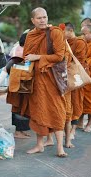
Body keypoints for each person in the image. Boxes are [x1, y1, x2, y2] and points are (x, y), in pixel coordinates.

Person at [19, 7, 68, 157]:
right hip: (36, 79)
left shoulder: (55, 33)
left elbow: (60, 56)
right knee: (37, 111)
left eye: (44, 17)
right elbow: (27, 56)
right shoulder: (30, 35)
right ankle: (40, 145)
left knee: (57, 110)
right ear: (33, 20)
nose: (42, 20)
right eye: (39, 18)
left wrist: (38, 57)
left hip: (52, 78)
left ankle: (60, 147)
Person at [63, 21, 88, 146]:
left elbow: (80, 59)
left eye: (64, 32)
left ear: (70, 31)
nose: (62, 35)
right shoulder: (64, 42)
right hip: (65, 76)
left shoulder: (79, 42)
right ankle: (66, 129)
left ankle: (73, 129)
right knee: (66, 104)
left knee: (76, 102)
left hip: (76, 74)